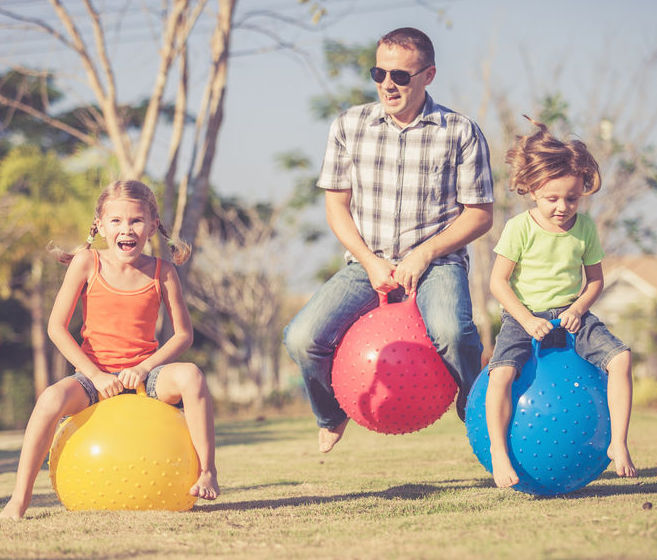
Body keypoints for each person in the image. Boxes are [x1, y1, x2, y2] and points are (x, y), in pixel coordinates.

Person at [284, 27, 494, 453]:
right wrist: (371, 261)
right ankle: (330, 414)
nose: (387, 84)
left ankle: (475, 407)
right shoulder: (349, 125)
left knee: (453, 332)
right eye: (378, 73)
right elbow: (336, 207)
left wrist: (425, 254)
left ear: (428, 75)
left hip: (438, 263)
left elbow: (480, 214)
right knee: (301, 338)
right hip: (367, 263)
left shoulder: (460, 131)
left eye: (400, 75)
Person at [1, 180, 220, 520]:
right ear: (100, 226)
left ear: (151, 226)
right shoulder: (87, 263)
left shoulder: (164, 272)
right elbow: (56, 329)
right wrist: (96, 375)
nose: (126, 228)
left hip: (146, 378)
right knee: (48, 400)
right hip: (93, 378)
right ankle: (20, 498)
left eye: (135, 221)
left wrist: (145, 368)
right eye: (116, 221)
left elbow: (183, 335)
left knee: (191, 375)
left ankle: (208, 471)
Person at [486, 116, 637, 488]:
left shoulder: (584, 229)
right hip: (524, 317)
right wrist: (524, 319)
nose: (562, 207)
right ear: (532, 190)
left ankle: (617, 442)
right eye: (552, 198)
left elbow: (596, 281)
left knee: (621, 359)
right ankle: (499, 451)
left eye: (571, 198)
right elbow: (498, 283)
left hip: (572, 316)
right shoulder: (519, 228)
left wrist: (577, 309)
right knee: (501, 374)